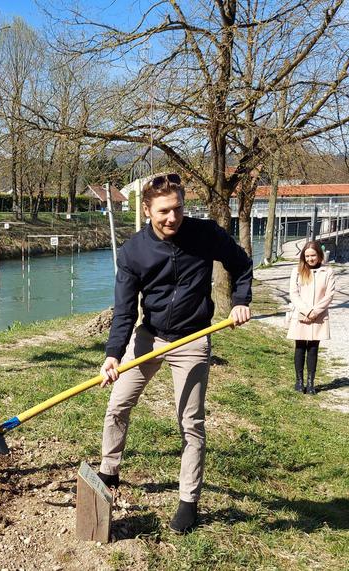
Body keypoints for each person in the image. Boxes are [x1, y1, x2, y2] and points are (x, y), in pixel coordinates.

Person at [97, 173, 252, 534]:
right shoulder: (134, 251)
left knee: (191, 423)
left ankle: (188, 501)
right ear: (148, 210)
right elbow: (124, 310)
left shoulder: (205, 234)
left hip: (194, 338)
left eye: (178, 209)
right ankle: (109, 471)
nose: (172, 218)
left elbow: (241, 264)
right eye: (164, 211)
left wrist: (241, 301)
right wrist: (113, 354)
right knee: (118, 405)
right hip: (149, 337)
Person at [287, 240, 335, 395]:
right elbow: (294, 294)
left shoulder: (328, 272)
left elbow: (329, 295)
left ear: (319, 255)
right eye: (307, 256)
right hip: (301, 314)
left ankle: (311, 383)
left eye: (313, 255)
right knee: (300, 347)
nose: (310, 259)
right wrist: (307, 311)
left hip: (319, 316)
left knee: (313, 349)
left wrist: (316, 312)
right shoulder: (297, 271)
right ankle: (299, 382)